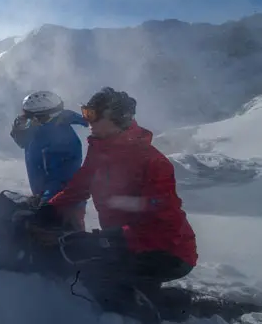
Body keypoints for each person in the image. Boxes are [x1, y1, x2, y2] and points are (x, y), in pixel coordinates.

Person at [32, 87, 197, 322]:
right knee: (88, 267)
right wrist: (51, 208)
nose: (87, 120)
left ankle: (165, 311)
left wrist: (108, 239)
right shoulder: (99, 148)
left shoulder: (152, 161)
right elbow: (79, 186)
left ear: (117, 119)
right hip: (127, 242)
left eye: (93, 114)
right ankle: (151, 294)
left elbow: (161, 223)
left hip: (168, 250)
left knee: (101, 279)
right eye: (86, 112)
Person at [10, 90, 88, 230]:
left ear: (46, 117)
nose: (29, 123)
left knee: (61, 242)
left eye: (32, 118)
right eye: (26, 118)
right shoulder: (40, 132)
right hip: (45, 201)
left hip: (63, 207)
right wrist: (18, 130)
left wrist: (45, 204)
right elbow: (23, 141)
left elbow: (62, 180)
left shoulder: (64, 141)